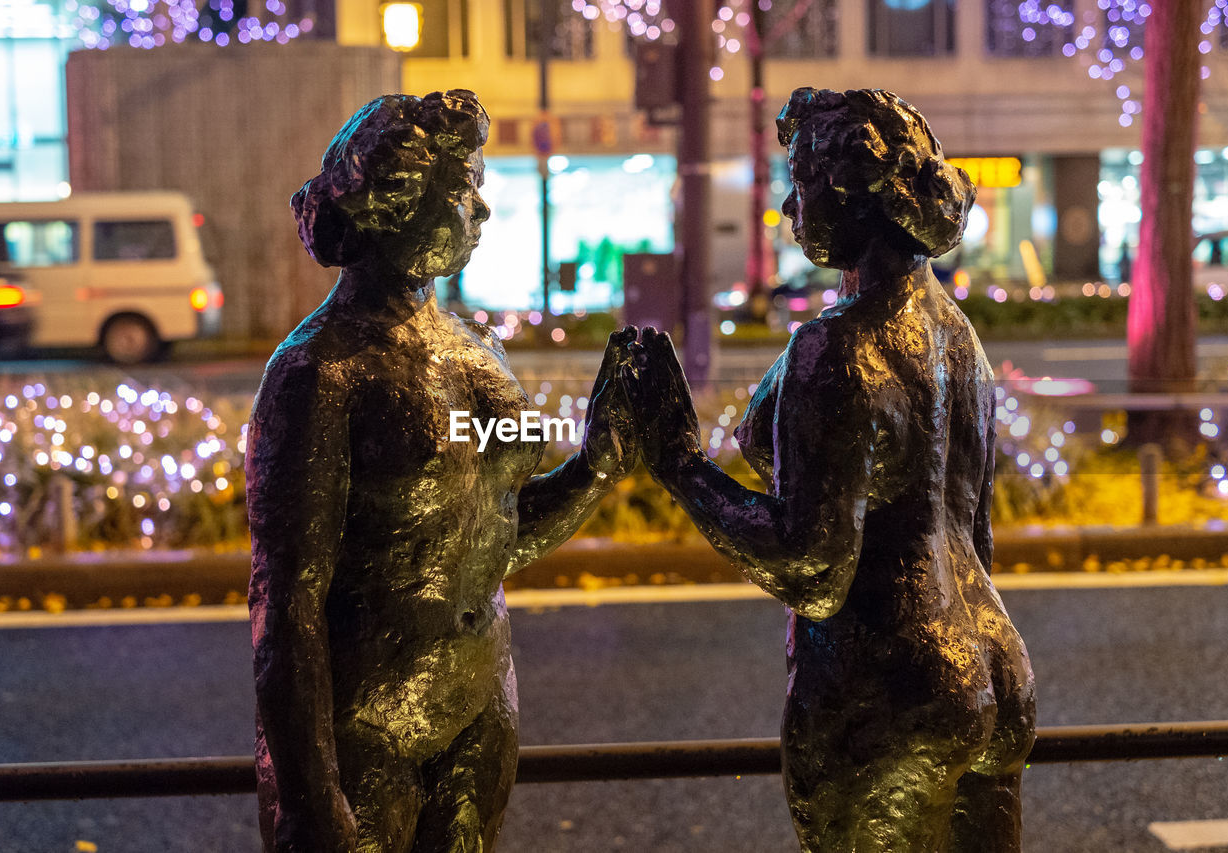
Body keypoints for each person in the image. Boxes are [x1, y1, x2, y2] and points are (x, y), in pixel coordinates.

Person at [621, 88, 1036, 852]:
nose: (787, 203)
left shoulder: (837, 347)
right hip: (993, 658)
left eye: (803, 180)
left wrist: (678, 462)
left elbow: (810, 564)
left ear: (853, 194)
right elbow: (975, 531)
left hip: (888, 677)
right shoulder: (958, 336)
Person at [245, 90, 637, 853]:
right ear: (399, 203)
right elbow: (286, 604)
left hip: (480, 703)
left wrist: (596, 464)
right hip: (367, 725)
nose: (482, 210)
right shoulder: (319, 374)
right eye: (465, 188)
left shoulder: (475, 351)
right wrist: (310, 794)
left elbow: (495, 529)